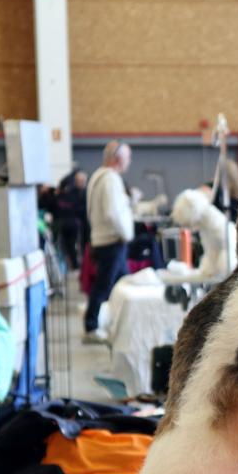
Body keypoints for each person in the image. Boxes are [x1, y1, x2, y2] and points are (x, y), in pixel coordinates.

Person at [84, 141, 134, 343]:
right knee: (104, 286)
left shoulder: (98, 176)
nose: (129, 162)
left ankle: (117, 323)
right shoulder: (110, 179)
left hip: (102, 239)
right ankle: (92, 326)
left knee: (122, 283)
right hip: (112, 241)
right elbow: (112, 212)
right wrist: (127, 234)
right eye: (128, 158)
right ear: (118, 159)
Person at [54, 169, 89, 270]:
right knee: (70, 247)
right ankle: (75, 265)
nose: (81, 183)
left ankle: (83, 265)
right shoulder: (70, 193)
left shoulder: (87, 192)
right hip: (73, 224)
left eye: (83, 181)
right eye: (79, 181)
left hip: (84, 225)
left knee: (83, 246)